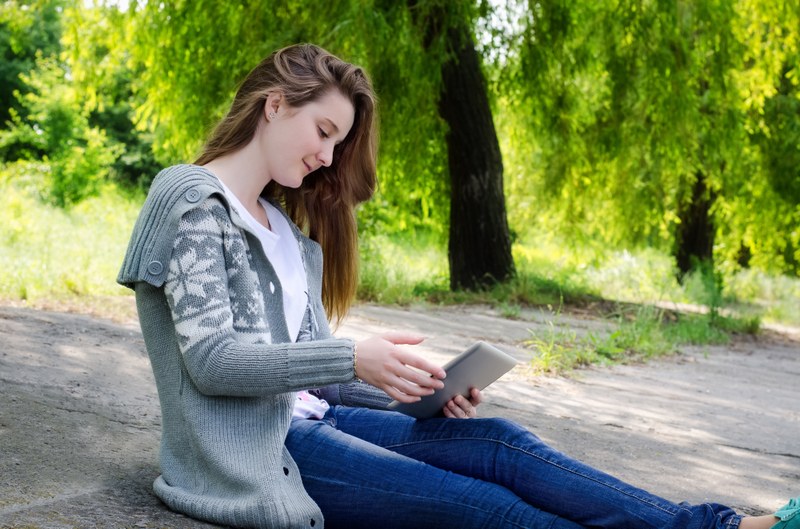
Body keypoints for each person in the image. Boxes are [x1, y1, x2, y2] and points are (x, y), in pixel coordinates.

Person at [118, 43, 798, 529]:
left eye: (337, 141)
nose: (327, 156)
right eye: (323, 131)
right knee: (493, 510)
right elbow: (212, 361)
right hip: (260, 452)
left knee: (502, 443)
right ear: (273, 105)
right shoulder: (189, 195)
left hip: (311, 422)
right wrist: (354, 354)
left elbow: (311, 380)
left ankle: (724, 526)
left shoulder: (292, 237)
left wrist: (417, 384)